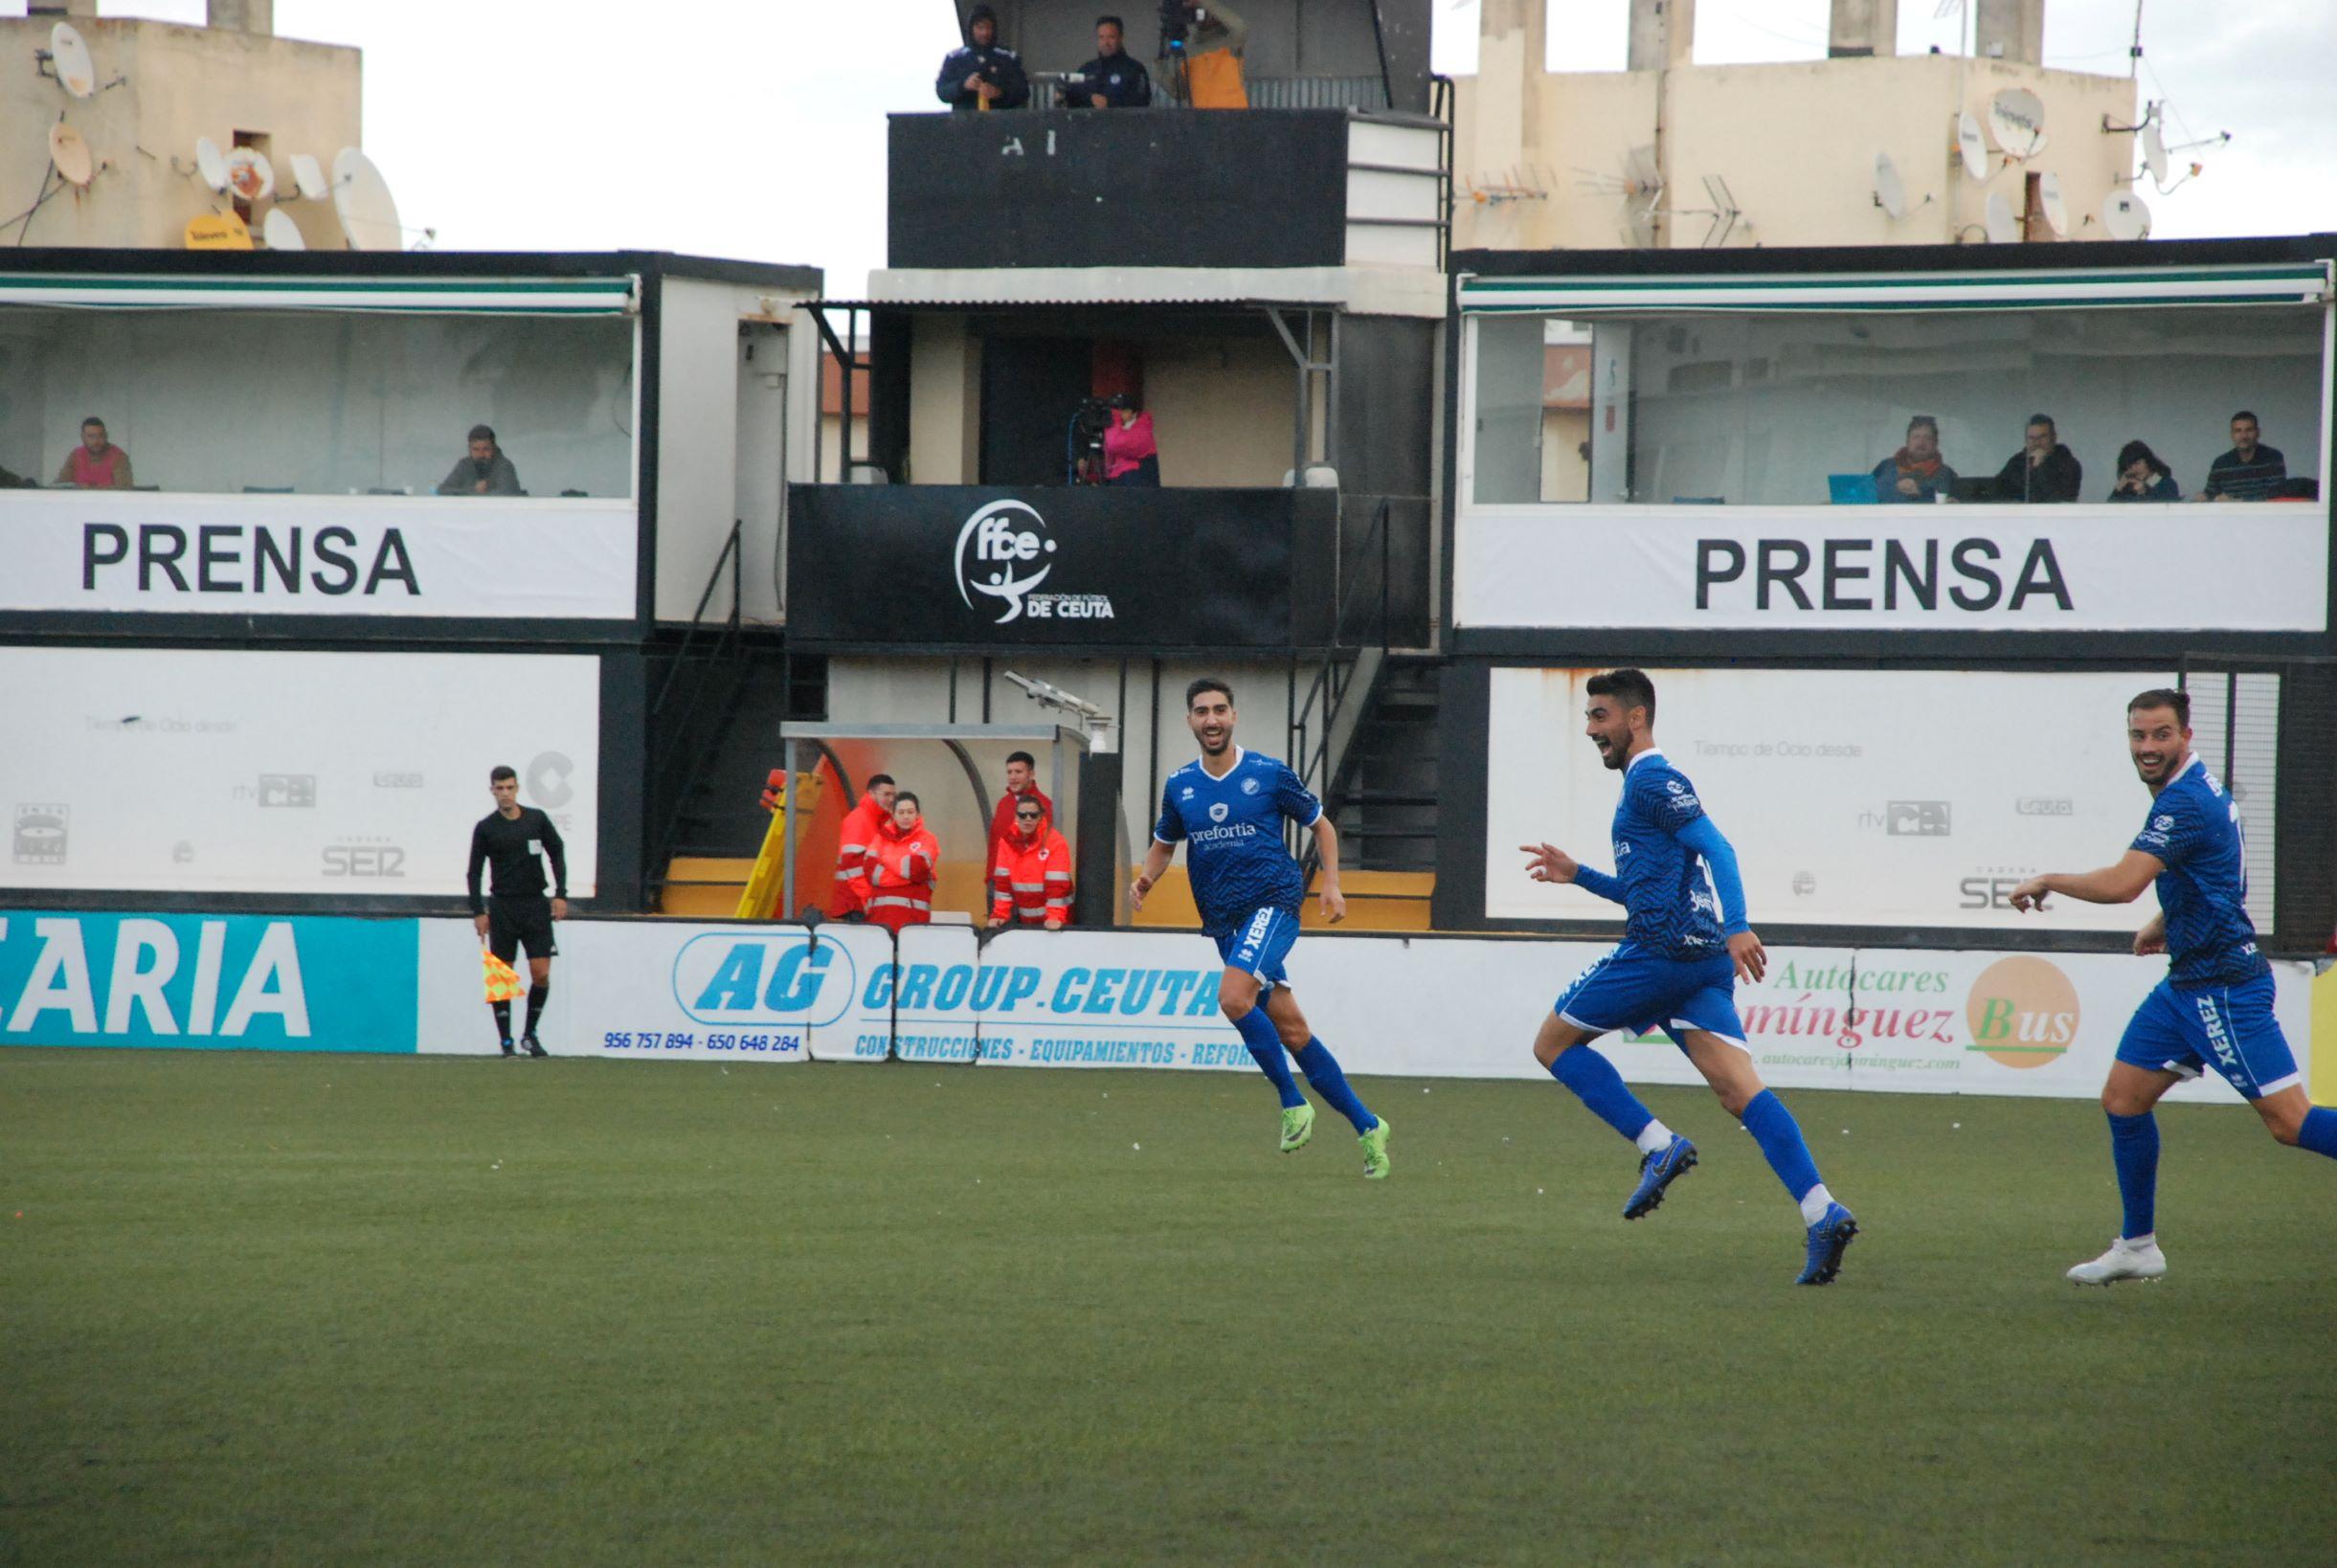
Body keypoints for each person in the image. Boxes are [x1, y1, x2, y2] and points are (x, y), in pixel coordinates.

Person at [1519, 668, 1857, 1285]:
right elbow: (1645, 888)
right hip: (1700, 964)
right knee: (1740, 1091)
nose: (1592, 729)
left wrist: (1740, 924)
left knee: (1552, 1044)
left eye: (1601, 716)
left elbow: (1718, 847)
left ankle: (1657, 1145)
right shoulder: (1641, 787)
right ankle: (1822, 1212)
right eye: (1589, 718)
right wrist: (1580, 875)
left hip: (1662, 954)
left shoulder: (1652, 778)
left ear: (1636, 718)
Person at [2010, 688, 2337, 1285]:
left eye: (2162, 735)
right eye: (2139, 736)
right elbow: (2218, 872)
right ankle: (2137, 1246)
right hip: (2185, 983)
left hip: (2224, 987)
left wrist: (2049, 878)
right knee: (2123, 1099)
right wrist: (2167, 923)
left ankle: (2138, 1244)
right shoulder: (2198, 790)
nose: (2148, 748)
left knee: (2291, 1123)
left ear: (2187, 736)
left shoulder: (2182, 802)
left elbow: (2122, 883)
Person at [1131, 679, 1390, 1177]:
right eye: (1202, 711)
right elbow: (1165, 843)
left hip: (1274, 902)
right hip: (1224, 920)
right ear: (1189, 720)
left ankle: (1292, 1102)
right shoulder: (1180, 785)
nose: (1212, 719)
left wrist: (1331, 885)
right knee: (1293, 1031)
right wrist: (1146, 877)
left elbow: (1323, 825)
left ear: (1234, 716)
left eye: (1220, 710)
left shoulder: (1268, 774)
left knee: (1232, 998)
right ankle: (1367, 1125)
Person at [466, 764, 568, 1057]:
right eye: (500, 789)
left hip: (535, 904)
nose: (505, 794)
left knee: (541, 972)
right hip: (503, 907)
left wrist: (561, 894)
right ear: (492, 791)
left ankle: (530, 1034)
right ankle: (506, 1041)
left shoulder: (536, 820)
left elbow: (557, 851)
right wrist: (478, 910)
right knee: (502, 975)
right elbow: (474, 872)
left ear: (517, 789)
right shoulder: (486, 828)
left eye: (510, 788)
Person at [989, 797, 1074, 930]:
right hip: (1025, 919)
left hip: (1058, 921)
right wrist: (1000, 915)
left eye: (1033, 815)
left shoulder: (1055, 842)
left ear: (1040, 817)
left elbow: (1057, 887)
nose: (1027, 819)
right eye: (1022, 815)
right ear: (1016, 817)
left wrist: (1055, 917)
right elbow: (1003, 885)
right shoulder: (1006, 842)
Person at [865, 793, 940, 935]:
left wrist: (886, 858)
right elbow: (871, 872)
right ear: (893, 814)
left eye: (910, 812)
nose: (906, 816)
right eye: (901, 812)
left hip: (913, 923)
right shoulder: (880, 838)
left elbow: (917, 869)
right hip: (879, 920)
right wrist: (905, 875)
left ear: (917, 814)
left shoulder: (928, 839)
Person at [825, 773, 897, 920]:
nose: (891, 799)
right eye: (886, 794)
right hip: (856, 903)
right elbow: (853, 866)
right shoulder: (860, 820)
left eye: (893, 795)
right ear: (871, 793)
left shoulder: (875, 820)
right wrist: (869, 899)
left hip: (857, 902)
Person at [935, 5, 1028, 112]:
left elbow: (1023, 91)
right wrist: (963, 86)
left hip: (1000, 123)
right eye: (980, 27)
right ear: (971, 29)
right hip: (964, 123)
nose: (984, 32)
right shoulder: (955, 58)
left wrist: (998, 93)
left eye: (988, 27)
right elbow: (942, 91)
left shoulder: (1008, 58)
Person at [1988, 414, 2082, 503]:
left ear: (2053, 438)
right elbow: (1997, 489)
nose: (2037, 443)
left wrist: (2039, 467)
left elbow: (2059, 498)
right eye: (2032, 438)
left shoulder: (2068, 464)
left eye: (2042, 437)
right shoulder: (2017, 462)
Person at [1062, 14, 1151, 107]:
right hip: (1089, 121)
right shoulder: (1086, 69)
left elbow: (1142, 102)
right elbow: (1073, 99)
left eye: (1111, 37)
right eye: (1101, 37)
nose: (1106, 43)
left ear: (1121, 38)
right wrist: (1063, 98)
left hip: (1121, 121)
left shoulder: (1135, 69)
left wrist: (1109, 103)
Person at [2199, 411, 2287, 501]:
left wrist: (2237, 502)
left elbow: (2276, 496)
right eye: (2238, 431)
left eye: (2249, 430)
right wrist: (2203, 498)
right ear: (2232, 435)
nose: (2244, 436)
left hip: (2264, 514)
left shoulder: (2273, 458)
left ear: (2258, 433)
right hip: (2229, 514)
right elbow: (2210, 494)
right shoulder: (2220, 463)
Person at [986, 751, 1055, 862]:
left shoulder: (1044, 805)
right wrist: (991, 877)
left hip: (1029, 876)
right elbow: (994, 844)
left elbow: (1048, 846)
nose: (1013, 777)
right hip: (1001, 876)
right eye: (1009, 772)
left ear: (1031, 774)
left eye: (1018, 772)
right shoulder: (1003, 804)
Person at [1870, 414, 1954, 504]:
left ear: (1935, 444)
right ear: (1907, 441)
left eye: (1927, 438)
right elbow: (1865, 495)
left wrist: (1919, 495)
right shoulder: (1885, 466)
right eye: (1916, 437)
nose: (1921, 442)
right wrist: (1894, 489)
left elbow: (1949, 509)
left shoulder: (1946, 475)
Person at [436, 425, 523, 496]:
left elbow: (508, 494)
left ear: (494, 448)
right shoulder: (464, 465)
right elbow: (442, 491)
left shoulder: (504, 466)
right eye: (476, 449)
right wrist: (473, 490)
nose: (481, 454)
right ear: (469, 449)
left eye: (486, 449)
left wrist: (483, 491)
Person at [56, 416, 132, 489]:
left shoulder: (118, 457)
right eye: (91, 436)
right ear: (82, 437)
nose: (96, 441)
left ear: (106, 436)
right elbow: (61, 485)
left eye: (100, 436)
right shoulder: (76, 456)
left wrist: (87, 488)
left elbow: (124, 489)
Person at [1101, 394, 1160, 486]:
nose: (1117, 413)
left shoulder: (1142, 428)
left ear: (1132, 412)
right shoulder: (1117, 428)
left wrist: (1114, 420)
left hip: (1139, 483)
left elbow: (1117, 444)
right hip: (1121, 480)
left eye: (1120, 410)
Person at [2107, 440, 2181, 502]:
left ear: (2148, 461)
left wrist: (2145, 493)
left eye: (2138, 463)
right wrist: (2118, 489)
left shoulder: (2167, 484)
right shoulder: (2127, 489)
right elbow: (2109, 512)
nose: (2135, 469)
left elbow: (2167, 510)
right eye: (2130, 467)